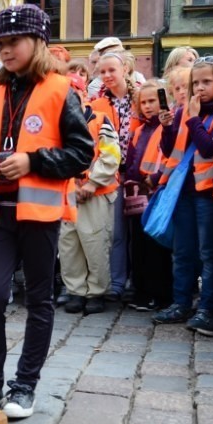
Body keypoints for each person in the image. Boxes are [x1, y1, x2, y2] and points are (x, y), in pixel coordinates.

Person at [0, 4, 93, 418]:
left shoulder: (60, 90)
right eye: (0, 43)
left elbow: (82, 153)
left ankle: (25, 385)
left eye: (13, 41)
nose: (4, 50)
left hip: (39, 214)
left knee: (39, 300)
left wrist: (32, 161)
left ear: (38, 42)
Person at [154, 56, 213, 331]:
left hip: (209, 192)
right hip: (182, 190)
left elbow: (209, 148)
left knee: (208, 253)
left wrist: (194, 118)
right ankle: (181, 303)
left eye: (206, 82)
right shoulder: (184, 111)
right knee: (183, 250)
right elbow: (169, 150)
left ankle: (207, 308)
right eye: (195, 82)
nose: (200, 87)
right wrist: (167, 126)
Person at [58, 97, 120, 315]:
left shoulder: (100, 120)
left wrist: (92, 182)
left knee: (95, 244)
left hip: (97, 193)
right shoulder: (58, 121)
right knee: (69, 246)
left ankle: (96, 292)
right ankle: (76, 291)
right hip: (68, 193)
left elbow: (111, 155)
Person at [90, 51, 139, 302]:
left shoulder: (140, 98)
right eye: (102, 72)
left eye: (112, 70)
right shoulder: (97, 104)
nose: (107, 76)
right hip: (113, 175)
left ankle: (136, 281)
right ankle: (116, 282)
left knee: (139, 233)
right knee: (116, 232)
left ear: (125, 70)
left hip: (139, 175)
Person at [125, 80, 173, 311]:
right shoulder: (139, 131)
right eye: (143, 102)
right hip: (139, 193)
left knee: (156, 246)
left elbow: (170, 155)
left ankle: (159, 293)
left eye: (152, 101)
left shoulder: (168, 127)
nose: (147, 106)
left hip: (158, 190)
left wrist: (155, 177)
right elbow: (132, 159)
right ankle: (141, 291)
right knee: (139, 245)